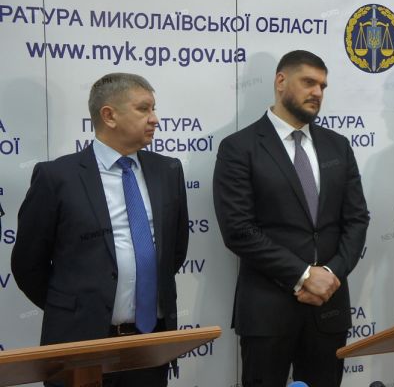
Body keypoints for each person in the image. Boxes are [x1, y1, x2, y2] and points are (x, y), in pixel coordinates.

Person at [11, 73, 189, 387]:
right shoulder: (57, 177)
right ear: (109, 115)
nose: (155, 119)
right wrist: (74, 307)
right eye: (143, 109)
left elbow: (174, 250)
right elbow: (28, 264)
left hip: (149, 346)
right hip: (79, 347)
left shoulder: (168, 170)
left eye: (154, 109)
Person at [213, 50, 369, 387]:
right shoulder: (239, 147)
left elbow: (357, 219)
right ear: (281, 81)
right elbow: (238, 229)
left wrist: (330, 274)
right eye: (309, 82)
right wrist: (303, 276)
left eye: (323, 86)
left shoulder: (338, 146)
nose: (317, 92)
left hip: (329, 307)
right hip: (267, 311)